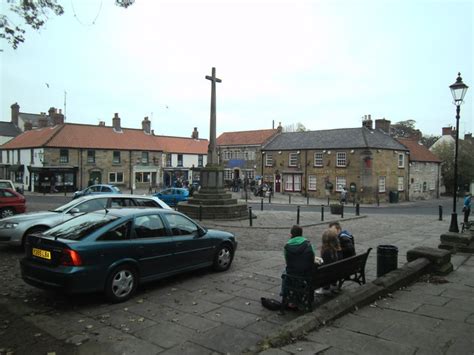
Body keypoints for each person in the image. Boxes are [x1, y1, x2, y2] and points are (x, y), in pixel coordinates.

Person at [281, 225, 316, 307]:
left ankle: (284, 294)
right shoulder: (308, 244)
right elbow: (313, 258)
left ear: (291, 235)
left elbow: (287, 262)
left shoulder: (287, 247)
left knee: (284, 273)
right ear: (301, 234)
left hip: (292, 274)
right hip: (307, 274)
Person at [317, 228, 341, 295]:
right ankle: (334, 285)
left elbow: (326, 267)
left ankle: (325, 288)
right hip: (338, 273)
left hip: (327, 276)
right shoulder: (338, 249)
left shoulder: (326, 251)